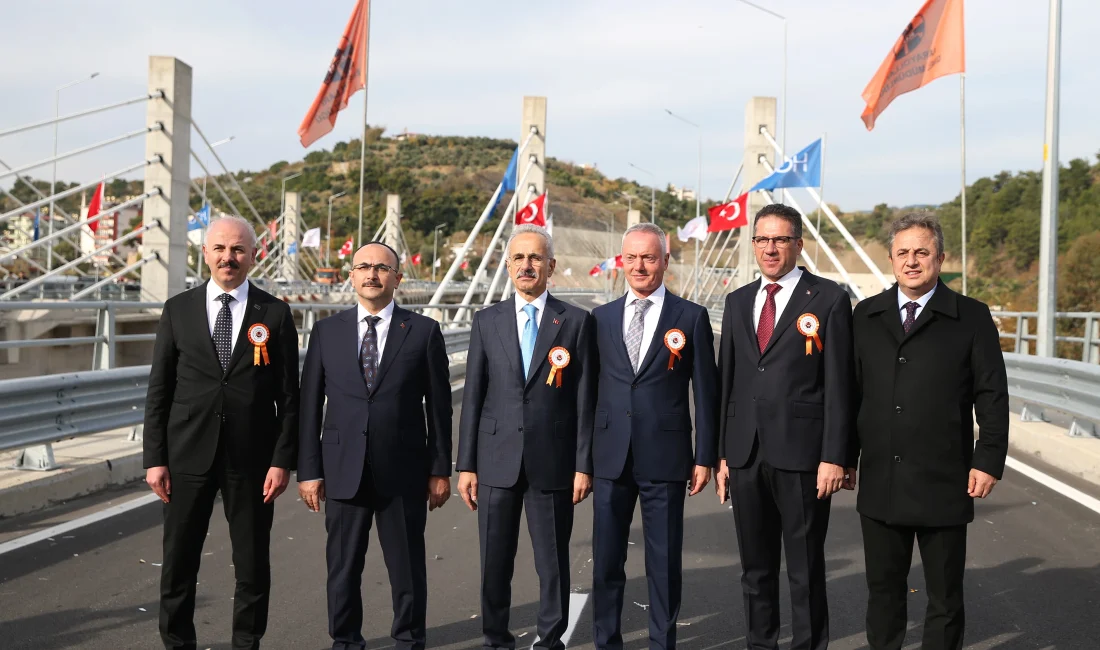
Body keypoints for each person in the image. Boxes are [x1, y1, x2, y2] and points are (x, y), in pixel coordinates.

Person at [850, 213, 1008, 650]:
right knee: (883, 595)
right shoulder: (866, 315)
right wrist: (845, 457)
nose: (912, 261)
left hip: (945, 479)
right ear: (891, 259)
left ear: (940, 257)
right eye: (903, 252)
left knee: (945, 598)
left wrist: (988, 458)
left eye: (922, 252)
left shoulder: (971, 317)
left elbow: (992, 394)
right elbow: (850, 394)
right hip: (881, 480)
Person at [143, 215, 299, 650]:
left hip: (252, 459)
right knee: (178, 562)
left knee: (251, 564)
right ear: (206, 253)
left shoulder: (276, 314)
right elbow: (160, 390)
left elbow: (290, 397)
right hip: (185, 456)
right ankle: (177, 642)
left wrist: (282, 459)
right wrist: (154, 458)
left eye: (237, 250)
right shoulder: (178, 310)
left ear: (253, 255)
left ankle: (246, 642)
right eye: (220, 249)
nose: (228, 257)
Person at [297, 241, 452, 650]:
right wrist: (309, 470)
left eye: (382, 268)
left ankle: (408, 640)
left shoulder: (423, 331)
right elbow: (309, 405)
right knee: (343, 568)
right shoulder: (327, 331)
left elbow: (439, 409)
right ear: (351, 275)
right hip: (341, 467)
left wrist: (439, 470)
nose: (372, 274)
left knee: (406, 568)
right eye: (363, 266)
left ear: (397, 278)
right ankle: (345, 641)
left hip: (403, 471)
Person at [715, 203, 855, 650]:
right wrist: (722, 454)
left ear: (798, 243)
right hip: (745, 454)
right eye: (762, 240)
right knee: (754, 569)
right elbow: (729, 383)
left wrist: (836, 455)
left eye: (779, 239)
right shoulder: (737, 301)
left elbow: (840, 385)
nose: (770, 248)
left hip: (803, 456)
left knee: (804, 569)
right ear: (753, 244)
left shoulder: (829, 298)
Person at [456, 224, 597, 650]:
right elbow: (474, 398)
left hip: (552, 462)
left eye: (536, 258)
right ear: (508, 265)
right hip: (496, 461)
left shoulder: (575, 322)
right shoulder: (487, 321)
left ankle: (550, 639)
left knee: (551, 562)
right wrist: (466, 465)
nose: (527, 265)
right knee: (494, 562)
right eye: (518, 258)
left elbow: (585, 400)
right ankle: (496, 639)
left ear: (551, 266)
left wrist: (582, 465)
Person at [589, 222, 719, 649]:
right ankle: (607, 640)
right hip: (610, 457)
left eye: (649, 257)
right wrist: (581, 461)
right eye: (632, 257)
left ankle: (663, 642)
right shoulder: (601, 319)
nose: (640, 265)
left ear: (665, 260)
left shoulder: (691, 317)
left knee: (663, 562)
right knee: (607, 561)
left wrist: (705, 456)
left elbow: (705, 391)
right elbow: (587, 394)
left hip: (666, 457)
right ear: (621, 261)